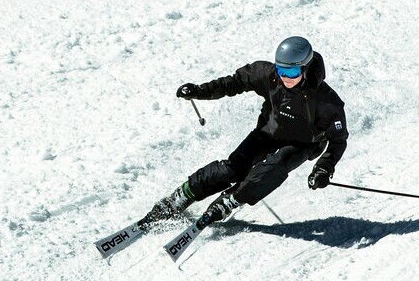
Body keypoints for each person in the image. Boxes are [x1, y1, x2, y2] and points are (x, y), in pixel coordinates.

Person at [140, 36, 348, 228]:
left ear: (305, 68)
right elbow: (234, 83)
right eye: (281, 70)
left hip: (303, 143)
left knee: (273, 167)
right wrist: (200, 91)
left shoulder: (327, 102)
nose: (285, 77)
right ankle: (184, 194)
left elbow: (338, 140)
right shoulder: (269, 75)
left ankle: (232, 199)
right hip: (268, 132)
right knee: (232, 169)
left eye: (292, 72)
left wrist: (323, 168)